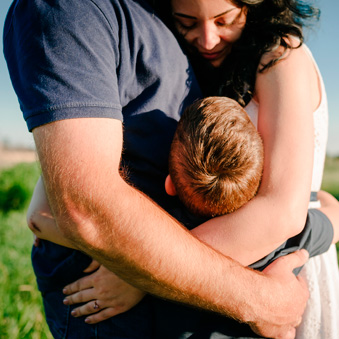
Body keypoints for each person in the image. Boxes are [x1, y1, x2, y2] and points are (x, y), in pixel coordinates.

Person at [3, 0, 314, 338]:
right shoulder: (82, 17)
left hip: (264, 270)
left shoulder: (280, 56)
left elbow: (286, 210)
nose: (208, 38)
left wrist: (141, 276)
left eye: (224, 20)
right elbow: (73, 207)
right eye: (187, 21)